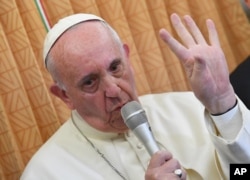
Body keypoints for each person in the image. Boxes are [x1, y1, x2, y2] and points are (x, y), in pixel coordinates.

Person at [20, 13, 250, 180]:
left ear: (127, 58)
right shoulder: (44, 172)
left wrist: (223, 105)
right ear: (64, 96)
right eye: (90, 82)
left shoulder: (193, 107)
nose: (113, 90)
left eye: (115, 67)